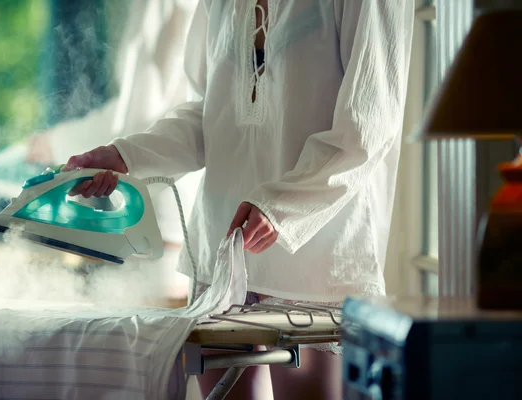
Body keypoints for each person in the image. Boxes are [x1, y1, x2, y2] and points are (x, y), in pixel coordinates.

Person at [64, 0, 415, 398]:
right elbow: (208, 113)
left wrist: (282, 206)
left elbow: (368, 125)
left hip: (316, 258)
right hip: (222, 254)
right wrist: (127, 155)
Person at [25, 0, 202, 300]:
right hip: (150, 234)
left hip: (169, 224)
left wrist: (54, 142)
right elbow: (129, 114)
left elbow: (149, 117)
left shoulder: (180, 10)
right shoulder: (150, 8)